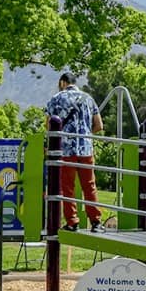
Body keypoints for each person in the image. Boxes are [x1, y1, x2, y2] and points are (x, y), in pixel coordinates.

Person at [44, 72, 104, 230]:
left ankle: (72, 222)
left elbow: (48, 125)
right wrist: (85, 135)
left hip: (66, 150)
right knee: (89, 186)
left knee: (67, 187)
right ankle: (96, 221)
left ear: (62, 83)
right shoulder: (88, 98)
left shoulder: (56, 99)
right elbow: (99, 125)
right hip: (86, 149)